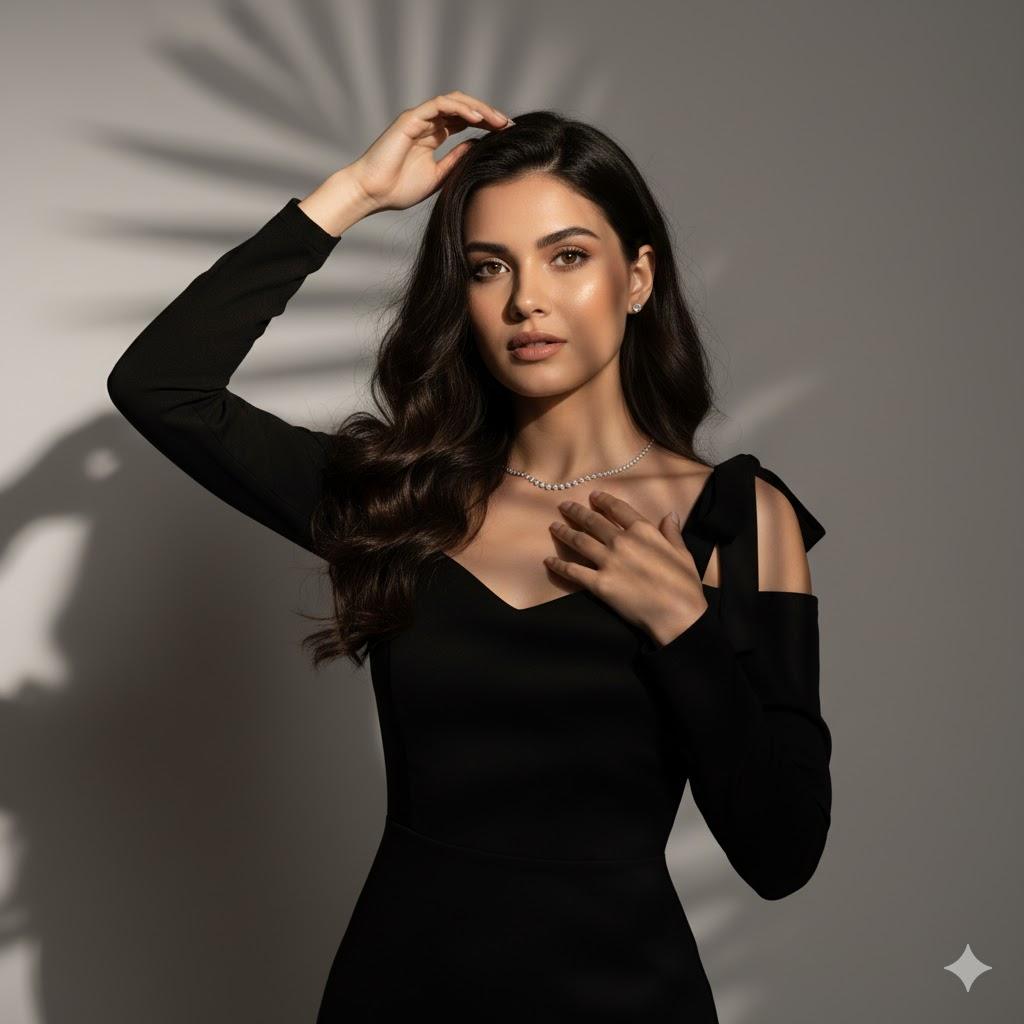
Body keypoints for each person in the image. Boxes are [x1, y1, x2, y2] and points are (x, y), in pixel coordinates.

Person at [107, 91, 832, 1022]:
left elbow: (782, 853)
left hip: (624, 1002)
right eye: (489, 268)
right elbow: (160, 386)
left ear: (638, 277)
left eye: (568, 256)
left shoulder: (739, 518)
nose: (526, 300)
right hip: (399, 996)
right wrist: (354, 193)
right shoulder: (402, 500)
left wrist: (684, 627)